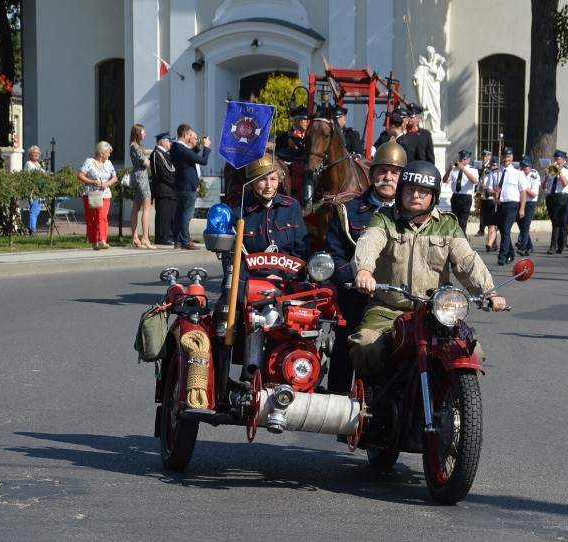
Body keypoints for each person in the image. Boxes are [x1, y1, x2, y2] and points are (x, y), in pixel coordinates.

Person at [348, 160, 506, 378]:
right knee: (366, 346)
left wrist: (489, 292)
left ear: (433, 196)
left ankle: (453, 399)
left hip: (437, 312)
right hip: (387, 308)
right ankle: (375, 400)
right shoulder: (384, 218)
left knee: (471, 350)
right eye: (410, 190)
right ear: (401, 192)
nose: (415, 196)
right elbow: (369, 242)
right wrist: (364, 270)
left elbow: (467, 261)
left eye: (423, 192)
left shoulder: (448, 225)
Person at [323, 141, 407, 393]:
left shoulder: (413, 213)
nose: (388, 178)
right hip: (356, 296)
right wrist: (358, 277)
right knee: (345, 342)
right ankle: (337, 405)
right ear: (371, 174)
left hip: (397, 297)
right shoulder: (347, 211)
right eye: (382, 171)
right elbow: (332, 258)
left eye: (395, 173)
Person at [221, 154, 310, 294]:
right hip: (248, 284)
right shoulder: (238, 212)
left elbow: (301, 251)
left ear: (279, 181)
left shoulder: (292, 207)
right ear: (251, 182)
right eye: (262, 180)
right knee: (224, 312)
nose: (269, 185)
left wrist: (283, 277)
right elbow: (230, 259)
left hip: (287, 282)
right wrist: (261, 278)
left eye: (273, 179)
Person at [170, 123, 211, 250]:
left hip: (180, 185)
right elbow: (203, 161)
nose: (191, 138)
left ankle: (177, 240)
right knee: (186, 215)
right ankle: (185, 241)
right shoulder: (181, 148)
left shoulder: (176, 147)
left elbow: (189, 156)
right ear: (185, 135)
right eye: (190, 135)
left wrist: (197, 145)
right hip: (187, 186)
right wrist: (206, 147)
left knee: (179, 214)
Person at [486, 146, 524, 265]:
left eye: (508, 156)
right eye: (504, 156)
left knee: (506, 230)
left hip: (511, 205)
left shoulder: (518, 173)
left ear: (512, 157)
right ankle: (511, 253)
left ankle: (501, 256)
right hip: (499, 204)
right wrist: (494, 192)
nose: (506, 159)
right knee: (503, 231)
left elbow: (523, 192)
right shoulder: (495, 172)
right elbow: (488, 190)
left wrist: (522, 208)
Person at [78, 141, 118, 250]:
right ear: (101, 153)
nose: (109, 155)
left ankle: (102, 240)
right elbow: (80, 175)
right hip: (91, 193)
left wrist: (108, 183)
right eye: (108, 152)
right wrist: (92, 182)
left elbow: (115, 177)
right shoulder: (89, 162)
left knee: (102, 216)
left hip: (105, 194)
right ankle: (94, 241)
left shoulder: (109, 163)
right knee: (92, 218)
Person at [128, 123, 154, 249]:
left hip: (138, 177)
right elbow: (146, 163)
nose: (145, 134)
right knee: (147, 206)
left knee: (136, 207)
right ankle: (145, 238)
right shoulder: (135, 147)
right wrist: (150, 160)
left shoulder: (134, 146)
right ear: (138, 133)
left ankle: (135, 238)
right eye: (143, 132)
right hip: (141, 177)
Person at [542, 150, 568, 254]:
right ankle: (560, 244)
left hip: (561, 196)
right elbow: (543, 186)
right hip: (550, 196)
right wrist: (546, 176)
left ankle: (554, 245)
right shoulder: (550, 170)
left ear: (563, 159)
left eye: (558, 159)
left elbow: (565, 183)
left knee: (558, 221)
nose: (556, 161)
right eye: (555, 159)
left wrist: (558, 172)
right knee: (555, 221)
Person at [442, 149, 478, 235]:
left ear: (468, 160)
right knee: (455, 220)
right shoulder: (454, 170)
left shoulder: (472, 169)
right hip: (455, 196)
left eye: (465, 159)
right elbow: (444, 180)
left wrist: (464, 170)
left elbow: (474, 181)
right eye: (461, 158)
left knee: (462, 221)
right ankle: (455, 238)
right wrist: (449, 169)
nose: (463, 160)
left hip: (466, 197)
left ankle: (462, 240)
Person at [150, 131, 176, 246]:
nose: (171, 143)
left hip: (170, 190)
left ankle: (169, 236)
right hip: (163, 189)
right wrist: (175, 182)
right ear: (163, 142)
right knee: (163, 215)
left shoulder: (167, 154)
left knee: (170, 215)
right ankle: (161, 237)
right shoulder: (156, 154)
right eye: (169, 141)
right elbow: (161, 173)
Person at [412, 46, 445, 133]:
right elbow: (417, 77)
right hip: (425, 92)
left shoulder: (437, 65)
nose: (431, 56)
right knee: (426, 108)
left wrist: (434, 72)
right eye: (429, 54)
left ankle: (436, 128)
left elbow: (442, 76)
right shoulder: (421, 67)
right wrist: (416, 79)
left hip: (434, 91)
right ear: (426, 55)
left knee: (436, 107)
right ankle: (427, 128)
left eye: (432, 54)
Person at [515, 159, 539, 257]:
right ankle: (529, 245)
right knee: (521, 226)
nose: (524, 169)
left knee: (525, 225)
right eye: (522, 167)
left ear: (530, 168)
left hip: (530, 203)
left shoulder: (534, 177)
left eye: (526, 167)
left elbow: (533, 194)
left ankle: (523, 247)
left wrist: (524, 188)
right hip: (520, 202)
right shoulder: (519, 176)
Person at [24, 145, 43, 236]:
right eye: (34, 153)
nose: (36, 155)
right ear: (30, 154)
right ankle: (32, 231)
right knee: (34, 210)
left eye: (38, 153)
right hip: (33, 190)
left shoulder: (38, 164)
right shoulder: (29, 164)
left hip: (39, 190)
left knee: (37, 210)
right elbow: (31, 177)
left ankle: (33, 228)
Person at [475, 149, 492, 236]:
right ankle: (481, 229)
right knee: (480, 209)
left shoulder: (492, 166)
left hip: (486, 190)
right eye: (483, 156)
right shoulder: (478, 166)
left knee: (488, 212)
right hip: (479, 190)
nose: (484, 158)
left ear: (490, 157)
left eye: (486, 156)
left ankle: (487, 230)